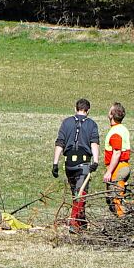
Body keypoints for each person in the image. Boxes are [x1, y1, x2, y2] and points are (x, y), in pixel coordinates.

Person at [52, 98, 101, 230]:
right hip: (83, 164)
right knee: (81, 194)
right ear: (88, 111)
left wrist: (55, 163)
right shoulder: (92, 124)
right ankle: (74, 224)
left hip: (69, 164)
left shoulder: (66, 122)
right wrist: (95, 161)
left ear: (75, 109)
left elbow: (60, 142)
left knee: (75, 194)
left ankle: (81, 222)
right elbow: (94, 143)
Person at [103, 102, 132, 217]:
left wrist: (109, 171)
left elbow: (116, 153)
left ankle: (123, 225)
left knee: (116, 201)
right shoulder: (122, 129)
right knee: (115, 199)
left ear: (111, 114)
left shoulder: (115, 132)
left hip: (117, 168)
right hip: (124, 166)